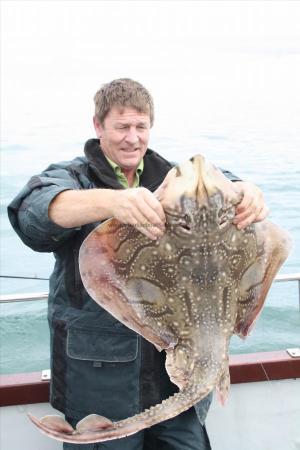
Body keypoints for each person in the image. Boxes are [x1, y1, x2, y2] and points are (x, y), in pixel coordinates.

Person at [8, 78, 268, 450]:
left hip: (178, 373)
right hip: (101, 378)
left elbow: (219, 184)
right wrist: (112, 204)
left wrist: (246, 190)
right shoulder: (73, 177)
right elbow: (34, 211)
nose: (132, 138)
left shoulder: (172, 180)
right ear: (98, 126)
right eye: (122, 127)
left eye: (140, 127)